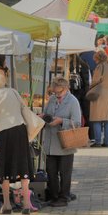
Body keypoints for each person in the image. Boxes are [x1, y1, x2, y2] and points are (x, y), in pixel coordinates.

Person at [0, 70, 34, 215]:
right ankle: (27, 203)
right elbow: (24, 109)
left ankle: (7, 204)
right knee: (23, 165)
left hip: (4, 132)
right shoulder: (12, 91)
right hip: (20, 129)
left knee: (3, 167)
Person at [41, 77, 82, 207]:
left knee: (65, 172)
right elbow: (48, 114)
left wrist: (61, 121)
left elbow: (77, 123)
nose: (57, 95)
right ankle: (54, 196)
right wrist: (43, 117)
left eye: (59, 92)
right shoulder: (52, 99)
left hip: (65, 143)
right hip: (50, 143)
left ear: (66, 89)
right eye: (55, 93)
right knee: (51, 172)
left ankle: (64, 197)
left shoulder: (73, 101)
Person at [89, 50, 108, 147]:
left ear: (98, 58)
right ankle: (107, 142)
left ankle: (97, 142)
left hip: (99, 94)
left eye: (95, 59)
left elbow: (95, 81)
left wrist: (90, 87)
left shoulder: (99, 67)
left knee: (97, 119)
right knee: (107, 120)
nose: (95, 61)